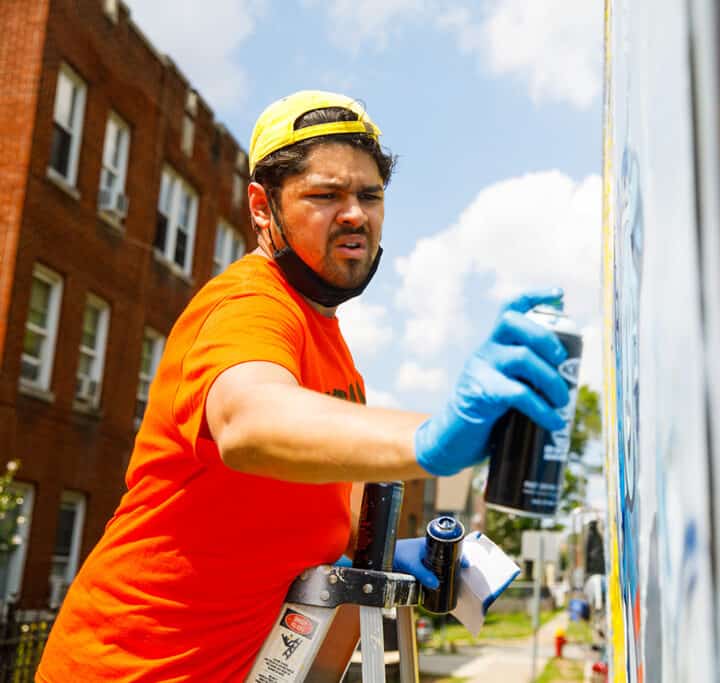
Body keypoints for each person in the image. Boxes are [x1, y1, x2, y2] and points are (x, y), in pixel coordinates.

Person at [37, 90, 570, 682]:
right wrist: (430, 437)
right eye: (325, 195)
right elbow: (249, 418)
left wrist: (380, 561)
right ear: (263, 208)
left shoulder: (334, 353)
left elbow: (293, 530)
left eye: (370, 195)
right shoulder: (247, 305)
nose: (355, 214)